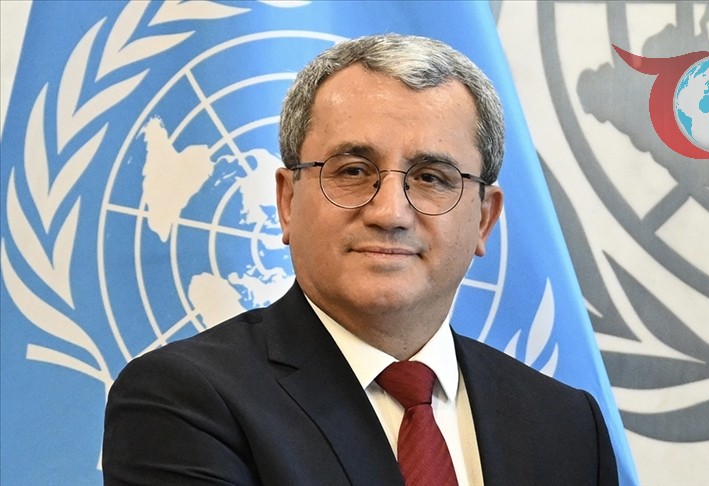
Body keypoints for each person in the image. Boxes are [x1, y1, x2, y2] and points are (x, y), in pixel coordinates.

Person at [103, 34, 618, 485]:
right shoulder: (183, 400)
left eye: (432, 178)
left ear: (484, 219)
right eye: (352, 171)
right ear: (287, 202)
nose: (390, 212)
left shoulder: (567, 424)